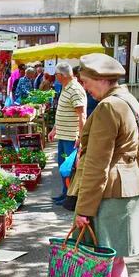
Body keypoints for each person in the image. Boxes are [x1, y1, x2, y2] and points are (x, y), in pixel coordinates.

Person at [66, 53, 139, 277]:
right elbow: (138, 151)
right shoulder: (129, 100)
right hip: (128, 187)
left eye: (86, 83)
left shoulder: (106, 108)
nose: (85, 89)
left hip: (107, 193)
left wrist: (84, 210)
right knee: (117, 261)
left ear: (101, 79)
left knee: (96, 263)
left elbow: (97, 165)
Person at [48, 62, 86, 204]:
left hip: (72, 137)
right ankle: (65, 193)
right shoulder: (66, 88)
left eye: (56, 75)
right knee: (63, 167)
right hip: (63, 136)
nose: (55, 78)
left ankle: (71, 197)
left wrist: (80, 137)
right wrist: (54, 129)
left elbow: (82, 116)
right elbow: (63, 112)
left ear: (61, 75)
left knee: (70, 169)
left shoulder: (75, 89)